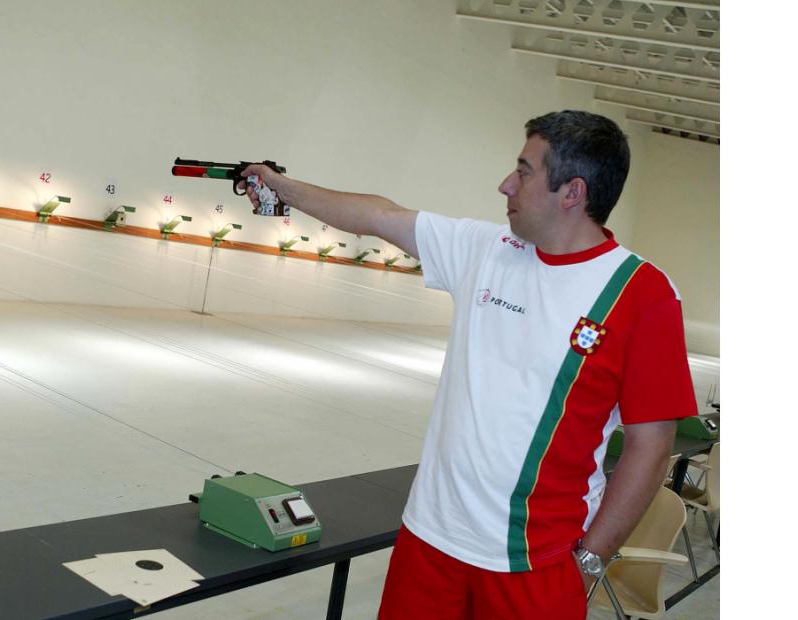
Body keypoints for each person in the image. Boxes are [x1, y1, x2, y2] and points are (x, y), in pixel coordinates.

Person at [238, 110, 698, 619]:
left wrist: (590, 561)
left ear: (572, 192)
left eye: (523, 172)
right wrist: (282, 186)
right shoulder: (485, 249)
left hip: (534, 563)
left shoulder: (642, 294)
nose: (506, 185)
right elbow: (378, 215)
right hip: (428, 542)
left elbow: (651, 447)